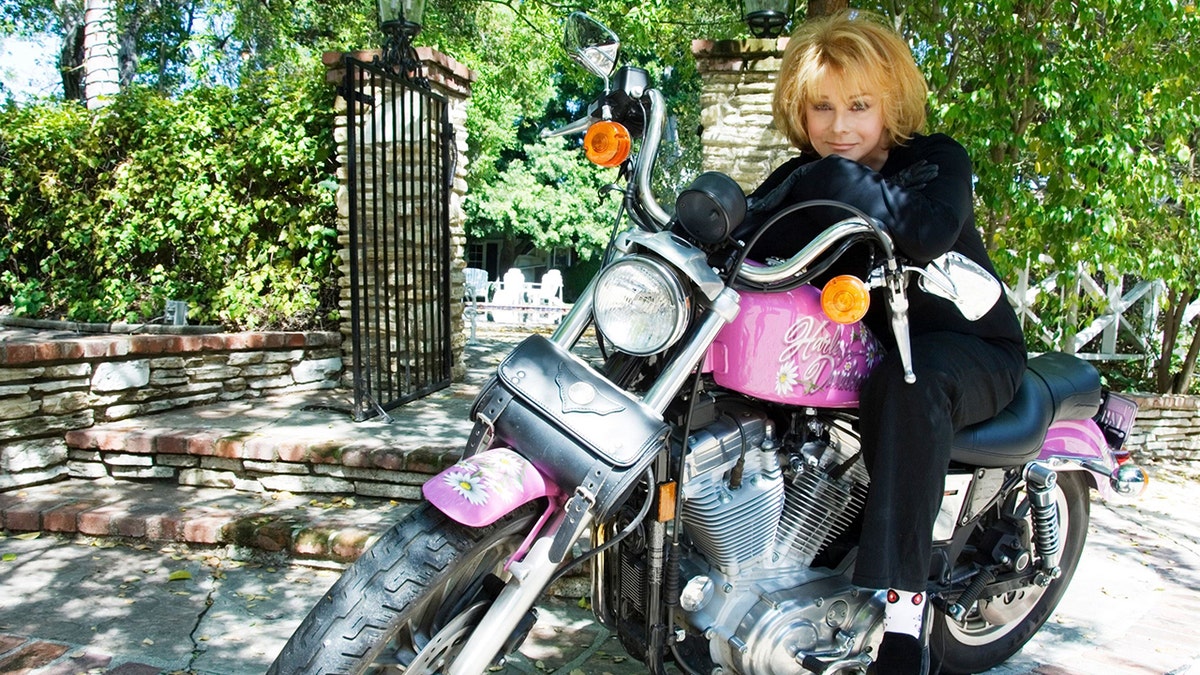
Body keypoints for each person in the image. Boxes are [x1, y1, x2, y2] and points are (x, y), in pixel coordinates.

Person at [742, 11, 1027, 675]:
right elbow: (744, 242)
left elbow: (925, 231)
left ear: (891, 103)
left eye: (860, 106)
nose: (840, 127)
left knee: (905, 381)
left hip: (966, 348)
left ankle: (905, 624)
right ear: (799, 109)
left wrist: (832, 181)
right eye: (823, 107)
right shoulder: (803, 173)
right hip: (868, 348)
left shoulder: (934, 161)